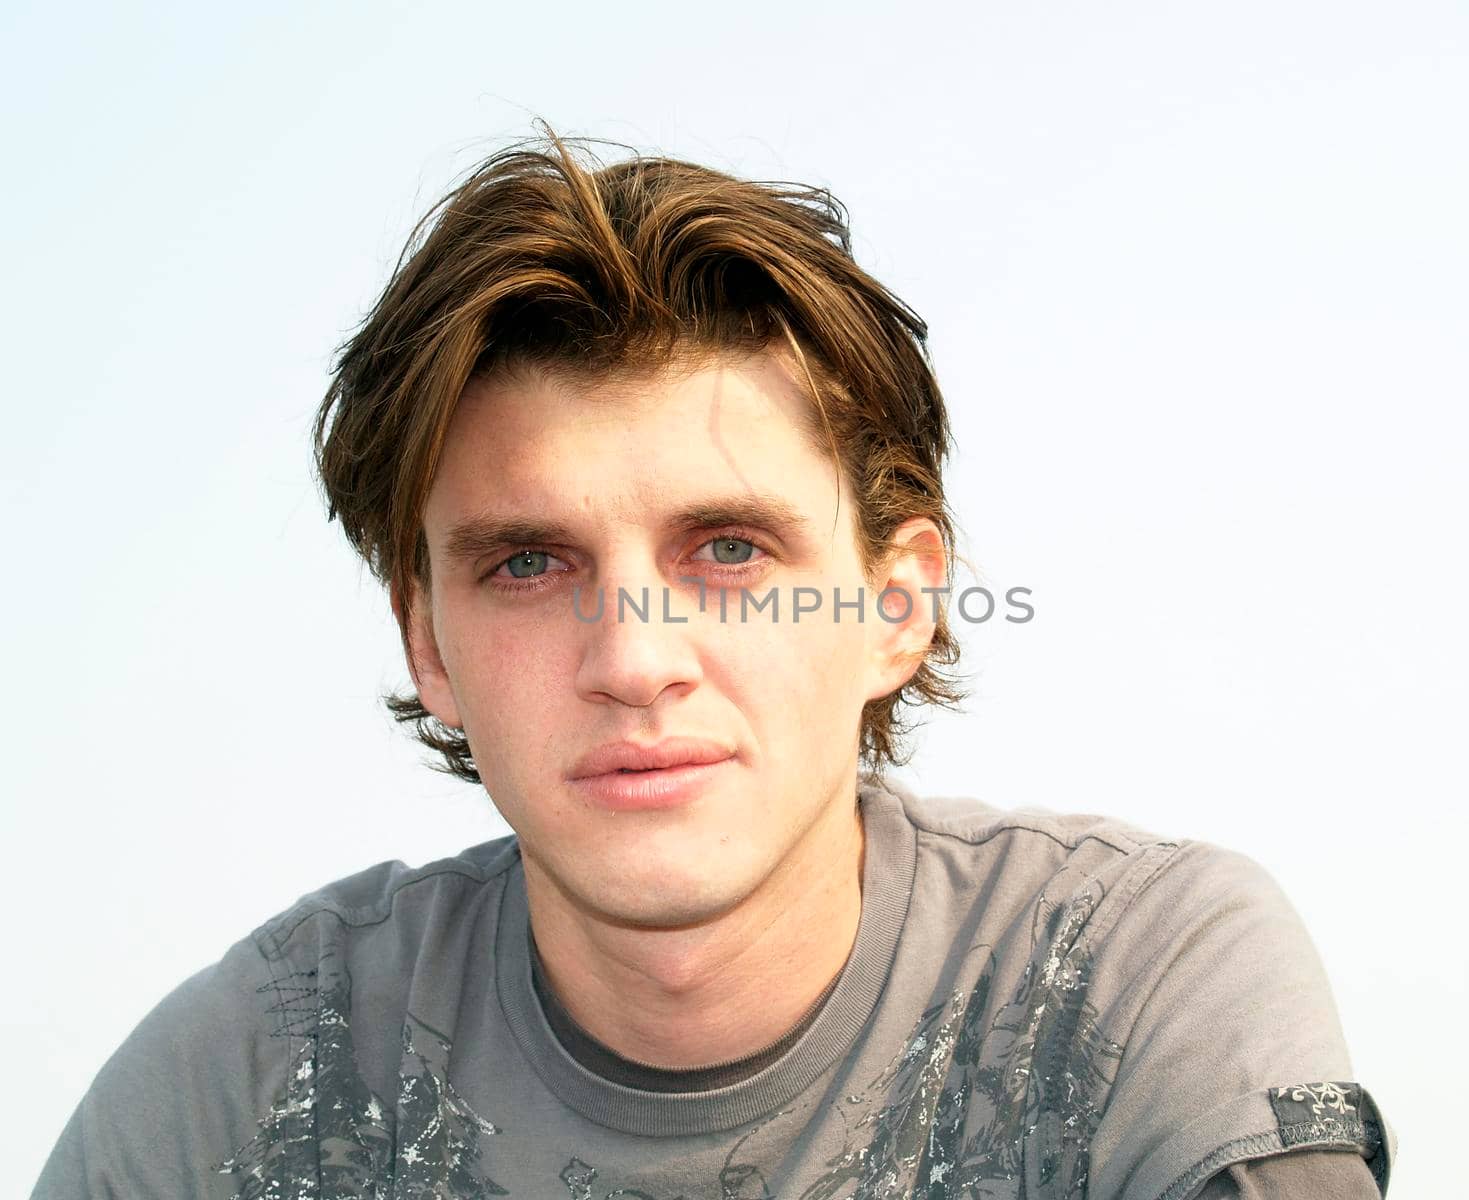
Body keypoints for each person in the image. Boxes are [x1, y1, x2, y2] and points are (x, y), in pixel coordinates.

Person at [32, 126, 1395, 1200]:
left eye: (730, 549)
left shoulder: (1125, 986)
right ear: (429, 647)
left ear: (895, 605)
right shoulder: (263, 1075)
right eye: (527, 562)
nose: (633, 659)